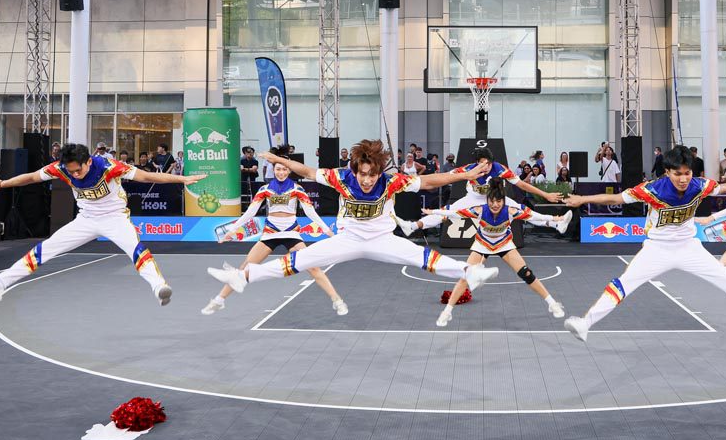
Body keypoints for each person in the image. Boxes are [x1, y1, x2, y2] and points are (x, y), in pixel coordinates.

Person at [561, 145, 726, 343]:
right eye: (677, 174)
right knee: (623, 284)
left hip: (689, 247)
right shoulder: (652, 190)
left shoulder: (699, 185)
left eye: (687, 173)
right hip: (657, 249)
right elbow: (615, 198)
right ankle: (585, 323)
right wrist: (582, 199)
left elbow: (719, 187)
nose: (683, 178)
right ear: (667, 172)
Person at [206, 140, 499, 299]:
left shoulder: (392, 181)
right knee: (299, 261)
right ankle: (243, 277)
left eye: (372, 174)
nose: (368, 180)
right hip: (348, 239)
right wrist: (280, 160)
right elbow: (307, 171)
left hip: (382, 239)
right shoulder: (340, 177)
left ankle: (469, 272)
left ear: (379, 171)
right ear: (355, 170)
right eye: (363, 174)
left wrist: (464, 175)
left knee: (421, 256)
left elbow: (430, 181)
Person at [0, 143, 206, 305]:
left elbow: (147, 176)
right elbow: (31, 177)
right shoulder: (60, 168)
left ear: (89, 162)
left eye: (78, 170)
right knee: (43, 250)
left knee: (136, 250)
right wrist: (2, 183)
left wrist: (182, 179)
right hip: (86, 219)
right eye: (71, 171)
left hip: (115, 218)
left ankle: (159, 287)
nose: (75, 175)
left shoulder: (109, 167)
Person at [202, 147, 345, 316]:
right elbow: (250, 212)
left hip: (291, 234)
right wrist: (232, 230)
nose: (281, 172)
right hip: (270, 233)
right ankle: (219, 301)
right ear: (273, 170)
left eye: (284, 169)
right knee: (243, 269)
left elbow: (310, 212)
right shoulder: (265, 189)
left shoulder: (297, 189)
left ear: (289, 170)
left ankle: (337, 300)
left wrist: (326, 230)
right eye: (278, 169)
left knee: (313, 268)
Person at [427, 179, 568, 327]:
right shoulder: (479, 210)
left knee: (527, 274)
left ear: (503, 201)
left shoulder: (511, 211)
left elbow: (535, 216)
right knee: (465, 277)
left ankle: (552, 304)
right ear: (487, 200)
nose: (495, 204)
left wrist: (555, 219)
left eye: (499, 201)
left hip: (504, 243)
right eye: (492, 201)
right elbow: (455, 213)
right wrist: (434, 212)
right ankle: (447, 312)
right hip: (483, 244)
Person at [401, 146, 569, 236]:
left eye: (488, 163)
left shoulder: (500, 169)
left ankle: (555, 223)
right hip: (473, 197)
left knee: (522, 210)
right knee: (446, 212)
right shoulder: (468, 169)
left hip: (494, 198)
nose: (486, 166)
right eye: (482, 163)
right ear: (477, 163)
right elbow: (444, 177)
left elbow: (522, 185)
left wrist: (546, 194)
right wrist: (422, 181)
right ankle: (413, 226)